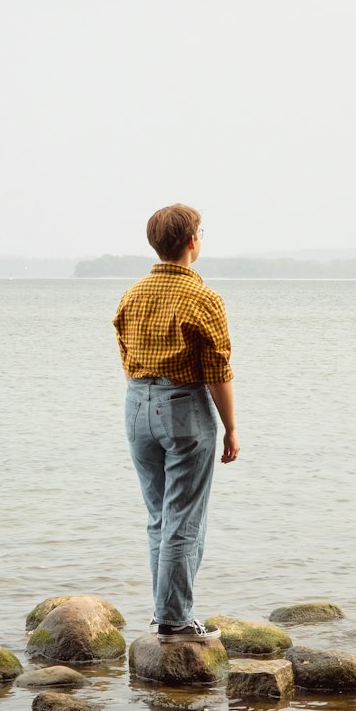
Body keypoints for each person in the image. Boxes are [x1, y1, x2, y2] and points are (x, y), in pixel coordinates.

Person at [113, 204, 240, 643]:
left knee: (159, 517)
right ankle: (175, 619)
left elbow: (126, 354)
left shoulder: (132, 294)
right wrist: (231, 428)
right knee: (183, 519)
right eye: (200, 231)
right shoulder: (204, 298)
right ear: (191, 242)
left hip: (136, 405)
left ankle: (167, 614)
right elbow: (217, 371)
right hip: (184, 408)